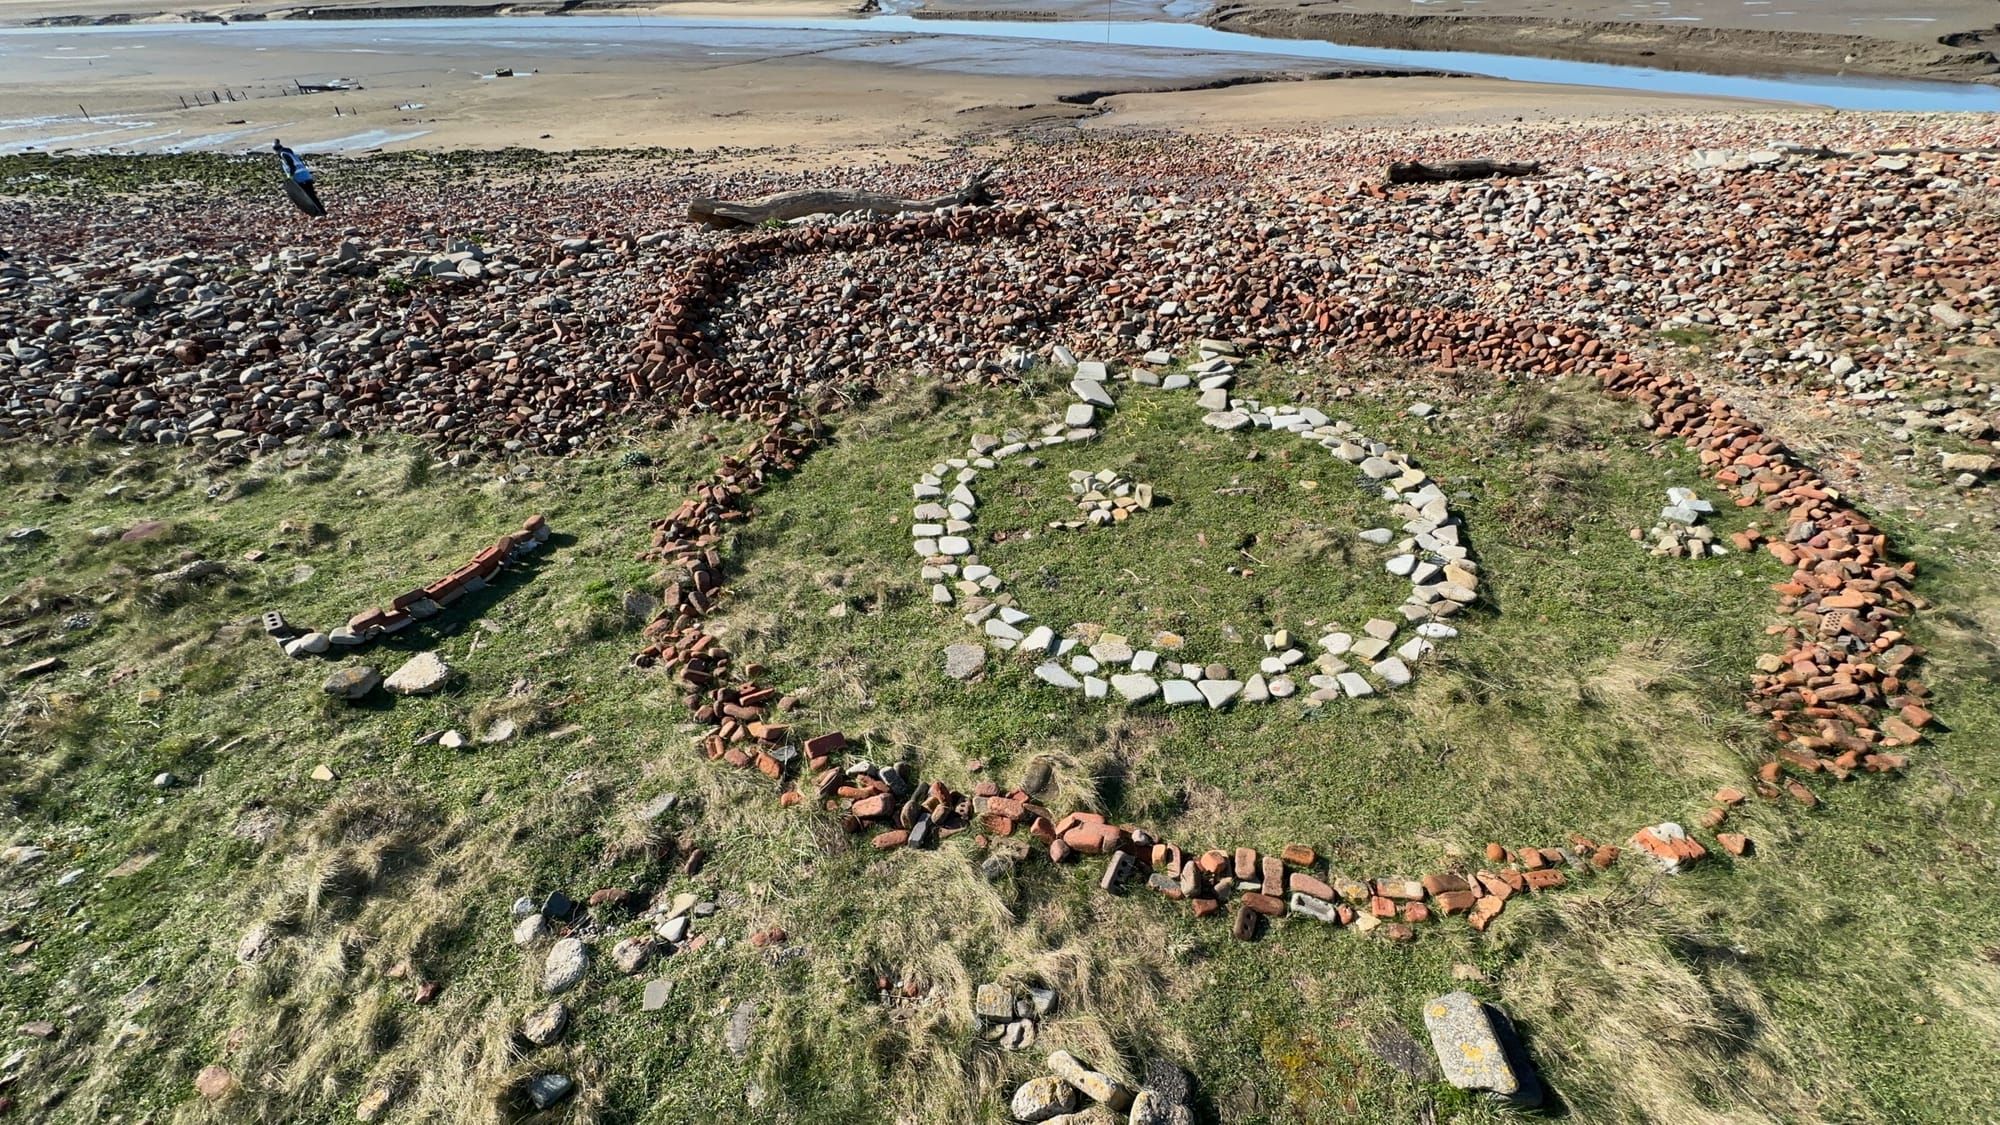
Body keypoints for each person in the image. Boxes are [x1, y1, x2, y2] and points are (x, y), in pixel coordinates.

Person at [273, 139, 326, 217]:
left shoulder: (283, 154)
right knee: (312, 196)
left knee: (309, 196)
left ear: (276, 151)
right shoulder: (290, 153)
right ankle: (321, 212)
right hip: (306, 176)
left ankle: (319, 213)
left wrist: (290, 176)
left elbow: (292, 166)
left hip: (301, 179)